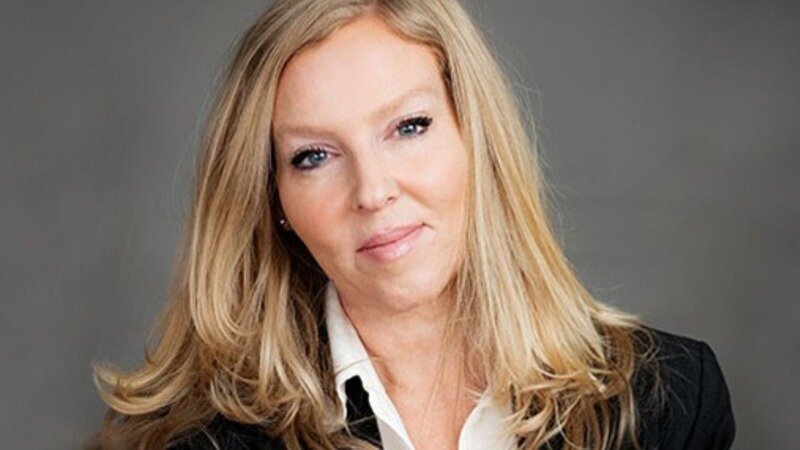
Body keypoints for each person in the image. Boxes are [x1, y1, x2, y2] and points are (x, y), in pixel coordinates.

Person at [88, 1, 736, 449]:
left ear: (474, 136)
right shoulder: (193, 443)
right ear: (273, 198)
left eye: (409, 126)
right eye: (314, 156)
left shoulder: (671, 402)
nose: (373, 192)